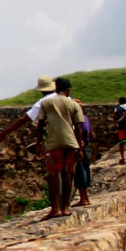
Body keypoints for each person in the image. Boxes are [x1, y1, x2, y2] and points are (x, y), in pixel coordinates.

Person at [29, 77, 85, 219]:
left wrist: (39, 143)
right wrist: (80, 147)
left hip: (53, 143)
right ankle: (65, 207)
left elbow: (40, 125)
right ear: (68, 90)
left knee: (53, 175)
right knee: (68, 174)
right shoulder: (74, 104)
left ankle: (55, 208)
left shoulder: (46, 102)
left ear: (55, 88)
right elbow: (78, 127)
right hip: (70, 142)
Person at [0, 75, 57, 145]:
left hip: (55, 137)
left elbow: (23, 120)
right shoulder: (63, 97)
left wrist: (3, 133)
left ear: (41, 90)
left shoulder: (42, 102)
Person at [72, 100, 93, 206]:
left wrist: (79, 145)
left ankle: (83, 198)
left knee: (80, 171)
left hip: (79, 146)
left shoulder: (78, 120)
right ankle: (85, 198)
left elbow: (79, 131)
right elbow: (91, 134)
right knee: (84, 169)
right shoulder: (86, 118)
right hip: (85, 145)